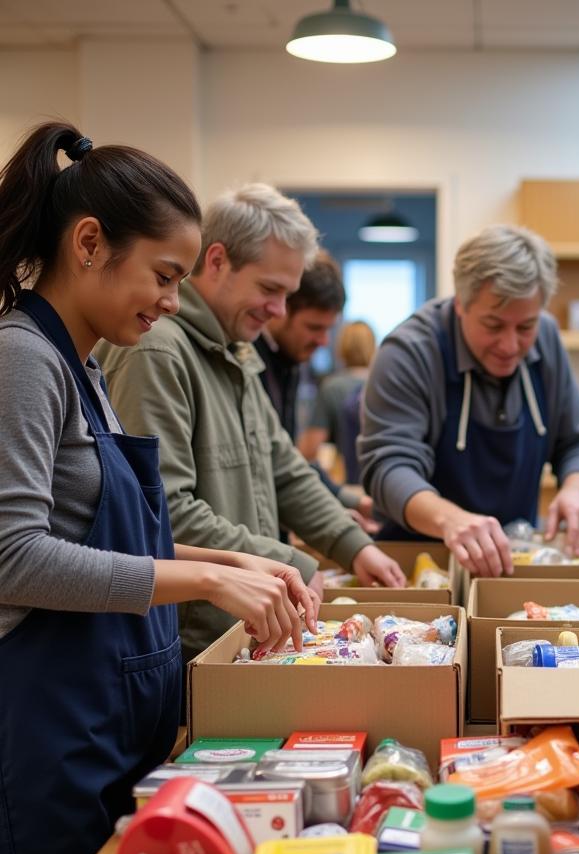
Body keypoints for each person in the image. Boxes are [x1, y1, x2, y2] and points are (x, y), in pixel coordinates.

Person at [0, 123, 318, 854]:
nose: (173, 302)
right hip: (49, 730)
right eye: (163, 275)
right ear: (88, 243)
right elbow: (15, 558)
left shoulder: (82, 365)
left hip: (110, 720)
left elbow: (109, 537)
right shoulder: (21, 359)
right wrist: (208, 573)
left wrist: (240, 563)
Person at [97, 183, 405, 664]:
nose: (279, 310)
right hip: (192, 646)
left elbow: (285, 468)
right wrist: (288, 562)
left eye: (287, 294)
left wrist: (354, 546)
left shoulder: (237, 353)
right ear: (217, 261)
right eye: (269, 289)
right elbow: (165, 514)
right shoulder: (157, 352)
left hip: (242, 636)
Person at [358, 224, 579, 576]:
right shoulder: (410, 352)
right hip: (419, 565)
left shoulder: (546, 338)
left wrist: (577, 489)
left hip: (511, 561)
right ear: (461, 303)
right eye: (493, 325)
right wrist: (451, 520)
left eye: (525, 327)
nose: (510, 346)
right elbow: (388, 468)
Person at [254, 253, 375, 530]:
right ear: (281, 308)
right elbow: (289, 463)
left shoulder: (291, 363)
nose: (322, 341)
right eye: (313, 327)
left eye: (328, 330)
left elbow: (291, 460)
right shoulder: (252, 359)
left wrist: (347, 502)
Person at [298, 319, 377, 485]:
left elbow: (308, 450)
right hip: (384, 484)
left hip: (350, 485)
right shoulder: (384, 384)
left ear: (341, 347)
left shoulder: (332, 388)